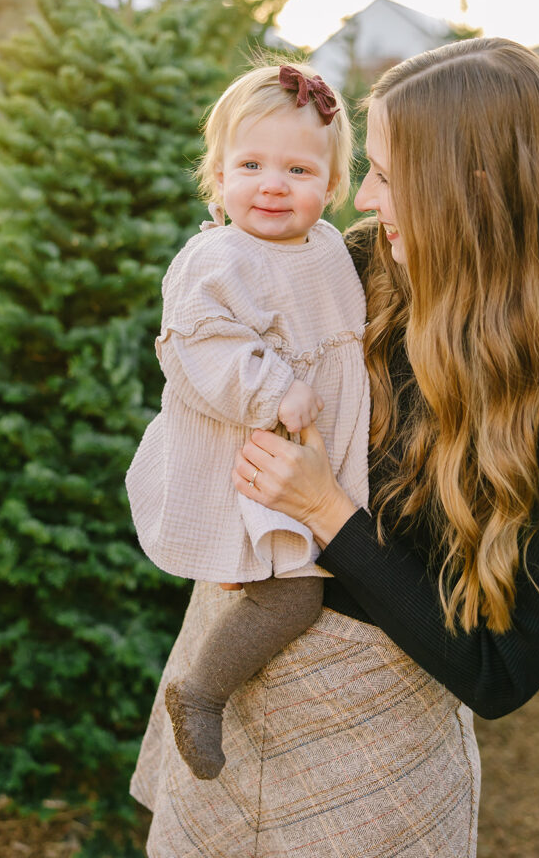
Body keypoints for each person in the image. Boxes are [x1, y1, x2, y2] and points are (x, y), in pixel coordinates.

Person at [131, 38, 539, 857]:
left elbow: (501, 673)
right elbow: (207, 338)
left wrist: (325, 511)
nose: (363, 199)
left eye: (385, 174)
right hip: (230, 694)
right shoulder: (348, 272)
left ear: (473, 188)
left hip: (371, 764)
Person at [126, 63, 370, 781]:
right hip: (254, 450)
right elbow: (197, 343)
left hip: (316, 447)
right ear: (218, 175)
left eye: (297, 169)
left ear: (330, 185)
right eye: (251, 164)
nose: (272, 184)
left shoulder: (327, 245)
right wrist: (271, 388)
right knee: (294, 590)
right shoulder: (218, 257)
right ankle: (199, 692)